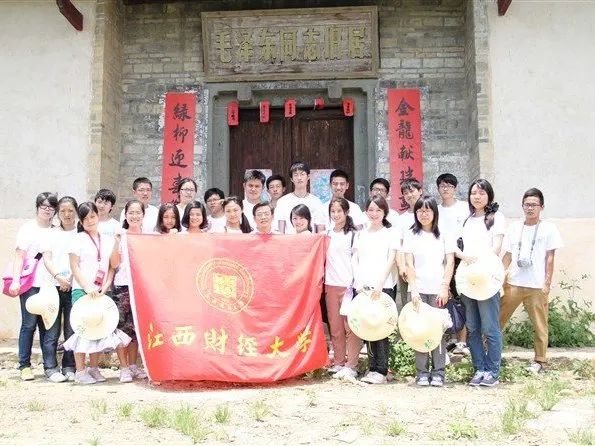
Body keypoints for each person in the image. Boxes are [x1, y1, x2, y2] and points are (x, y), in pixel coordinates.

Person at [64, 202, 131, 384]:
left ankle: (93, 368)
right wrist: (87, 287)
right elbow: (74, 266)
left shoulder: (107, 240)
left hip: (102, 292)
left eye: (92, 216)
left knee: (100, 327)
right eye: (85, 218)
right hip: (82, 291)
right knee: (83, 328)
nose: (90, 221)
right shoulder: (78, 239)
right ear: (81, 221)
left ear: (97, 216)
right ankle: (80, 371)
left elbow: (113, 266)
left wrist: (106, 286)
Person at [500, 188, 563, 374]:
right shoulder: (514, 228)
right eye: (527, 204)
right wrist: (497, 277)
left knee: (540, 324)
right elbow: (507, 256)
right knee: (497, 319)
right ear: (522, 206)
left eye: (534, 205)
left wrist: (547, 283)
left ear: (541, 207)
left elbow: (550, 258)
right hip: (513, 283)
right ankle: (492, 353)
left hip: (536, 285)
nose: (530, 208)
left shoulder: (548, 228)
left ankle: (540, 361)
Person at [456, 179, 505, 387]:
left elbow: (496, 248)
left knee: (490, 328)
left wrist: (480, 264)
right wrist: (464, 257)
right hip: (468, 280)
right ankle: (479, 369)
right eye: (474, 193)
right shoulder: (466, 220)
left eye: (482, 193)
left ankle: (493, 371)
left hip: (487, 278)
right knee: (473, 327)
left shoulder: (496, 218)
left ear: (489, 196)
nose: (477, 196)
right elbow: (456, 246)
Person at [402, 196, 455, 387]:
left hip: (438, 290)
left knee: (437, 331)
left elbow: (450, 262)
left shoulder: (444, 234)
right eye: (420, 211)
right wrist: (414, 289)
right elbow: (409, 264)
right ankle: (422, 372)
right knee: (420, 330)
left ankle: (439, 372)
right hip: (419, 290)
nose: (423, 214)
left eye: (427, 210)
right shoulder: (411, 235)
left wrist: (445, 286)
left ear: (434, 212)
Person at [9, 192, 58, 381]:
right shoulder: (27, 228)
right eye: (44, 206)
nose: (47, 210)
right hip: (30, 284)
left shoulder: (56, 230)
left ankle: (49, 366)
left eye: (51, 207)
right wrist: (15, 280)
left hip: (50, 285)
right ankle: (24, 366)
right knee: (28, 325)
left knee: (48, 326)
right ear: (37, 207)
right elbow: (19, 256)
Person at [352, 196, 398, 384]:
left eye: (378, 210)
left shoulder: (390, 233)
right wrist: (359, 282)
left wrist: (380, 283)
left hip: (383, 287)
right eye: (371, 210)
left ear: (385, 212)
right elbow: (355, 259)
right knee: (368, 326)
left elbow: (391, 259)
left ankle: (381, 369)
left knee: (381, 328)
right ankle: (372, 368)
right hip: (365, 288)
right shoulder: (361, 234)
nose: (374, 213)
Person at [41, 196, 78, 382]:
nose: (67, 214)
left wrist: (71, 277)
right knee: (52, 331)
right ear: (57, 213)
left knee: (72, 330)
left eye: (70, 210)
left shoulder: (81, 233)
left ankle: (69, 366)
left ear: (76, 212)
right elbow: (47, 259)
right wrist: (58, 277)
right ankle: (50, 368)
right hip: (53, 287)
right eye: (62, 211)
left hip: (74, 286)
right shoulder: (50, 234)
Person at [111, 199, 148, 380]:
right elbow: (114, 264)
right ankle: (124, 367)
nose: (134, 216)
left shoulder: (148, 237)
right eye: (131, 213)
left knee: (136, 329)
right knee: (122, 329)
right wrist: (116, 242)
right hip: (123, 286)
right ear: (125, 215)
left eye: (138, 212)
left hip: (142, 287)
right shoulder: (121, 236)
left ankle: (133, 365)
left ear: (143, 215)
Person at [325, 197, 361, 380]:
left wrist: (357, 284)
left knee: (351, 327)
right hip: (330, 285)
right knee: (336, 326)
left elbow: (358, 261)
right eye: (333, 211)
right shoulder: (327, 234)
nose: (336, 214)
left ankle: (352, 364)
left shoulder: (354, 234)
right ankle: (338, 362)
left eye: (339, 211)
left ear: (346, 212)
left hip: (349, 287)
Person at [436, 173, 471, 356]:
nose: (446, 189)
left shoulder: (465, 208)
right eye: (442, 186)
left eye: (449, 185)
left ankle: (462, 341)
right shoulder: (436, 210)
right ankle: (449, 339)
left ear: (455, 188)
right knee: (444, 297)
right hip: (441, 258)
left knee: (461, 298)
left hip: (462, 257)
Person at [394, 178, 424, 312]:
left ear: (420, 191)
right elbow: (399, 244)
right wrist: (401, 267)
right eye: (405, 193)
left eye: (412, 191)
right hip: (407, 265)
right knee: (408, 304)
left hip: (426, 265)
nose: (409, 195)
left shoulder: (429, 214)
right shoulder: (401, 219)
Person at [273, 162, 326, 234]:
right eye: (296, 175)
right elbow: (280, 232)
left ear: (308, 177)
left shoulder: (316, 201)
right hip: (289, 240)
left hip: (310, 240)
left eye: (302, 174)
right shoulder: (283, 201)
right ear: (291, 179)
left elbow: (321, 231)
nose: (299, 178)